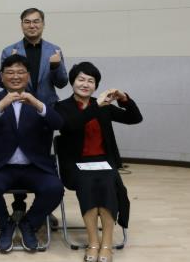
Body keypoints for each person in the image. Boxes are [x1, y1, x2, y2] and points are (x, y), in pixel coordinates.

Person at [54, 62, 142, 262]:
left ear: (95, 86)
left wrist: (124, 99)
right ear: (73, 82)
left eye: (91, 81)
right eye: (81, 79)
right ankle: (93, 242)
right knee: (88, 184)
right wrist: (96, 106)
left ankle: (107, 243)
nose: (85, 84)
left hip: (103, 162)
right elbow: (69, 126)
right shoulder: (61, 107)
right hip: (75, 164)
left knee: (108, 183)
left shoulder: (103, 106)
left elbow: (135, 118)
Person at [0, 54, 63, 253]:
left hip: (34, 167)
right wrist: (1, 105)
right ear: (2, 76)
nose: (15, 76)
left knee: (54, 189)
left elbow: (58, 123)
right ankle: (5, 224)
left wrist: (37, 104)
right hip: (1, 167)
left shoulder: (39, 100)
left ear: (28, 76)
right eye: (10, 72)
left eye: (20, 72)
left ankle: (28, 224)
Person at [0, 7, 67, 219]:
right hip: (17, 109)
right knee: (19, 153)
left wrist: (56, 67)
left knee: (41, 157)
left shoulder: (54, 50)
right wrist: (11, 65)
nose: (32, 25)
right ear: (21, 25)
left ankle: (43, 207)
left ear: (43, 24)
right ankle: (19, 205)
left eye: (36, 21)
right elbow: (1, 82)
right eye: (27, 22)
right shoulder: (9, 51)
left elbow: (62, 82)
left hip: (45, 110)